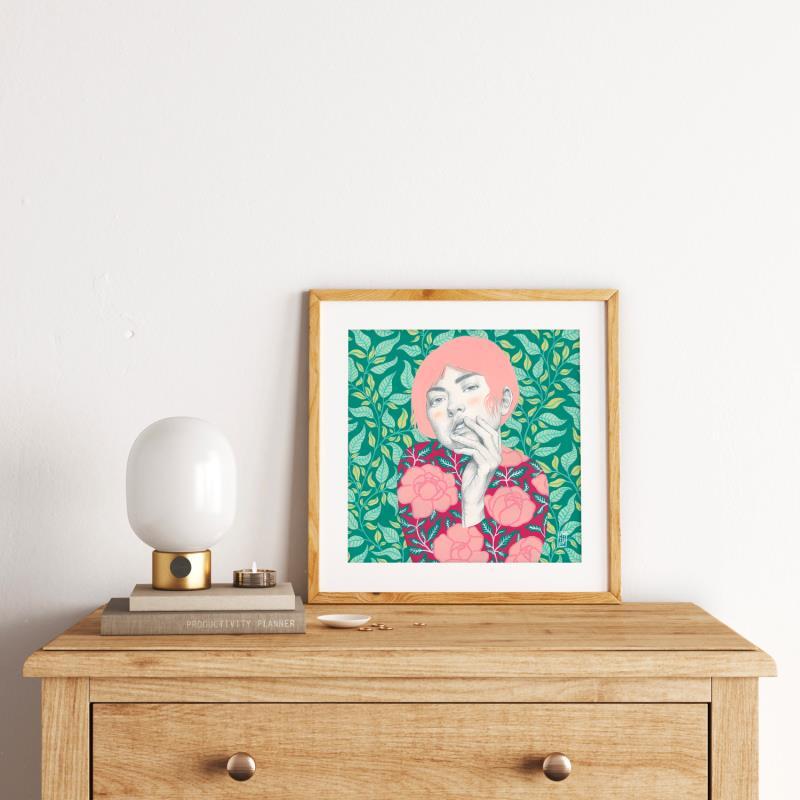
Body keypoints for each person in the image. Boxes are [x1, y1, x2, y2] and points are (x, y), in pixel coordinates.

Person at [397, 336, 549, 563]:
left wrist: (475, 506)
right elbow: (427, 566)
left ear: (504, 400)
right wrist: (470, 506)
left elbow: (520, 571)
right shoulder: (417, 463)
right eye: (437, 399)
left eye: (469, 387)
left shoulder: (530, 474)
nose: (453, 407)